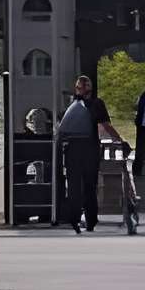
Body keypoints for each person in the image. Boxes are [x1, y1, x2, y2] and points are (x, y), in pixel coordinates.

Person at [55, 74, 105, 233]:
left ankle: (74, 219)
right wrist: (120, 141)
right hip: (90, 150)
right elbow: (105, 126)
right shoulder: (97, 104)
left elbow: (61, 128)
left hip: (72, 150)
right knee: (90, 186)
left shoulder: (71, 106)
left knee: (74, 187)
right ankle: (90, 220)